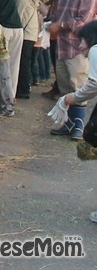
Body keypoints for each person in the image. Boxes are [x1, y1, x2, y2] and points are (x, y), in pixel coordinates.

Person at [46, 0, 97, 140]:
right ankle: (68, 122)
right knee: (65, 86)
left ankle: (79, 126)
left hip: (77, 48)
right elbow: (56, 15)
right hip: (61, 46)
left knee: (78, 86)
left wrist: (59, 25)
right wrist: (51, 23)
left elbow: (82, 23)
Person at [52, 20, 97, 222]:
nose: (80, 47)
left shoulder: (96, 50)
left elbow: (94, 85)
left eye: (83, 41)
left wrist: (72, 98)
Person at [12, 0, 41, 100]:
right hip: (32, 34)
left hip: (25, 34)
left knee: (22, 63)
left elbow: (17, 17)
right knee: (26, 62)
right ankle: (25, 88)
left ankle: (22, 90)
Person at [42, 0, 66, 98]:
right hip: (54, 28)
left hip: (57, 30)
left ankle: (60, 89)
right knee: (55, 60)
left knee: (57, 60)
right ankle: (57, 87)